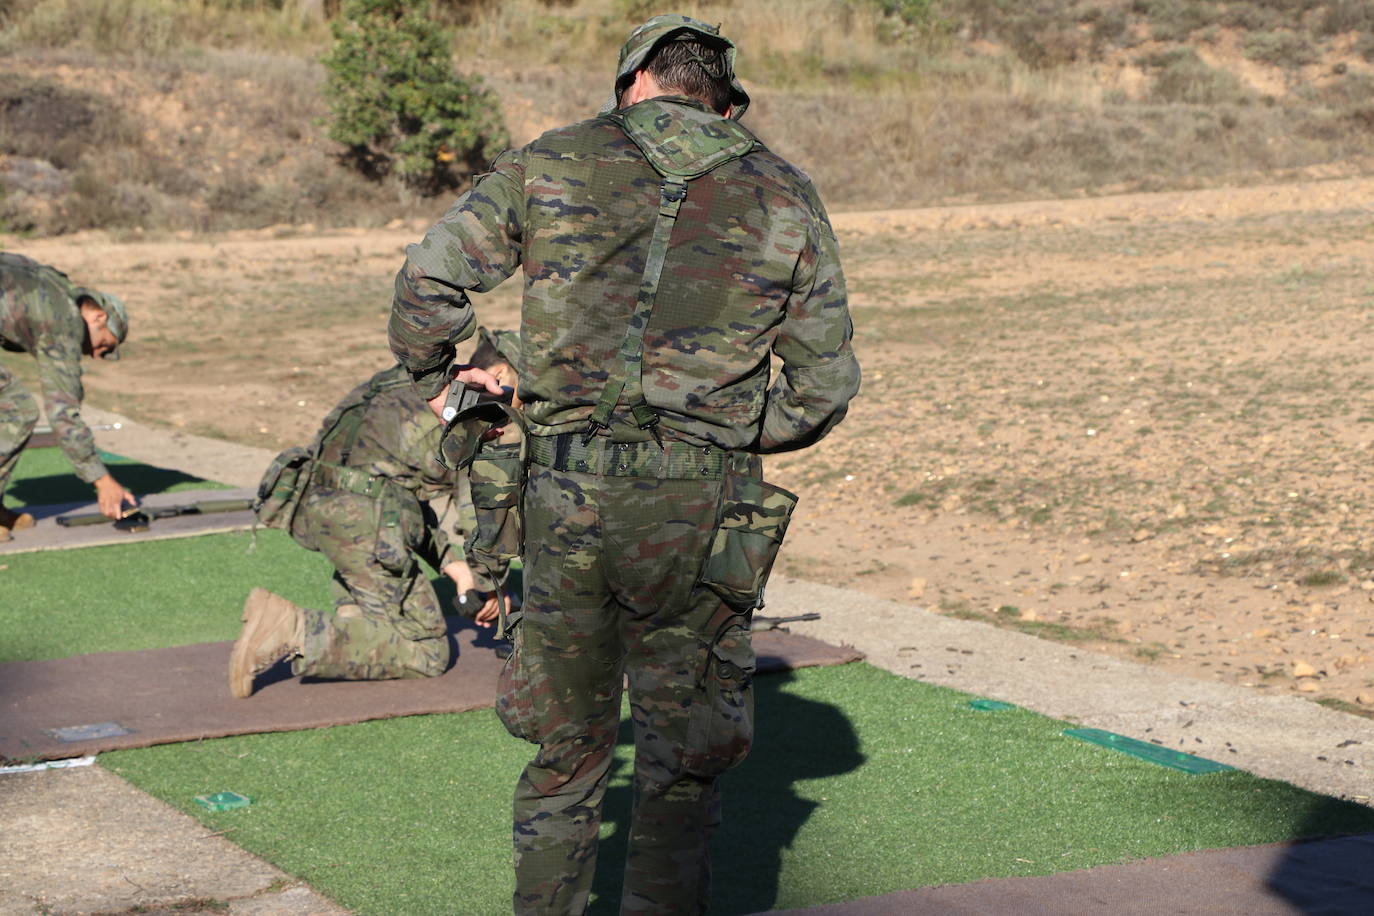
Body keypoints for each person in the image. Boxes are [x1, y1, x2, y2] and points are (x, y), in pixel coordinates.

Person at [387, 14, 860, 914]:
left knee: (566, 758)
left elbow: (425, 286)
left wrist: (452, 370)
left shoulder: (552, 160)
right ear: (722, 100)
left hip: (563, 499)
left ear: (632, 82)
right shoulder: (784, 191)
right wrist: (724, 429)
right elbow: (823, 386)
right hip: (700, 507)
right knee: (680, 776)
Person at [228, 327, 521, 699]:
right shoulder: (474, 406)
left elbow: (397, 490)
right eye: (518, 384)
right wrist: (490, 586)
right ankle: (290, 629)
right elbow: (478, 510)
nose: (519, 401)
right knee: (427, 651)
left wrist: (452, 567)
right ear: (497, 373)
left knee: (381, 575)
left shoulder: (409, 380)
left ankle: (361, 620)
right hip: (367, 522)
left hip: (321, 509)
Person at [0, 252, 133, 540]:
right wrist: (102, 480)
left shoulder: (51, 286)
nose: (96, 355)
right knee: (17, 410)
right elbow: (63, 415)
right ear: (99, 316)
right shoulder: (64, 320)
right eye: (105, 346)